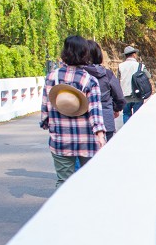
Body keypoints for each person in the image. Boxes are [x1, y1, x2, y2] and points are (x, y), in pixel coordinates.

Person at [41, 35, 107, 188]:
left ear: (65, 52)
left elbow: (45, 107)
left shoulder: (51, 77)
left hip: (60, 138)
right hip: (86, 140)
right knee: (88, 181)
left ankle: (63, 210)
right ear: (85, 53)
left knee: (64, 182)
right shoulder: (89, 80)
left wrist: (46, 123)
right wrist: (100, 135)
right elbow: (95, 112)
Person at [83, 40, 125, 141]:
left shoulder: (79, 75)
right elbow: (119, 96)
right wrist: (116, 108)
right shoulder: (107, 74)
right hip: (105, 119)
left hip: (83, 122)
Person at [119, 46, 143, 123]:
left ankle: (126, 132)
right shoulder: (140, 66)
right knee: (137, 115)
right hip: (138, 95)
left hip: (125, 95)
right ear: (133, 55)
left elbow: (117, 79)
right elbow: (148, 76)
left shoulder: (120, 66)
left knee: (126, 114)